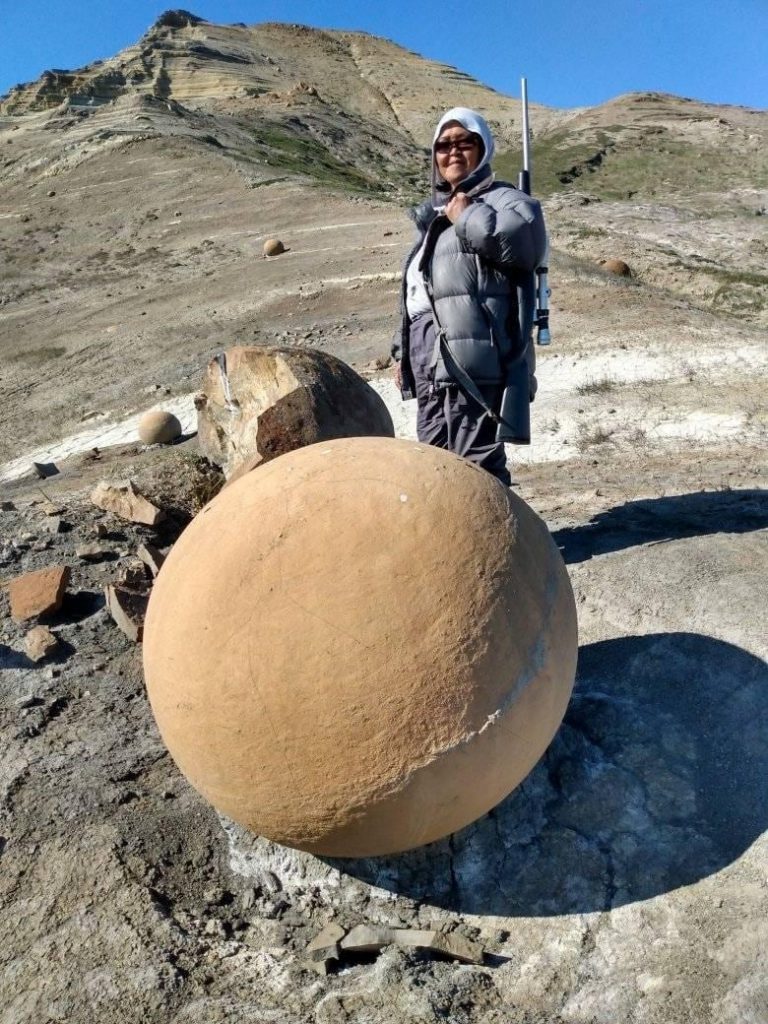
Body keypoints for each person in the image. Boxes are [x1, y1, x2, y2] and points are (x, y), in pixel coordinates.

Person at [393, 107, 547, 485]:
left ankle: (501, 543)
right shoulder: (435, 218)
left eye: (465, 142)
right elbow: (420, 295)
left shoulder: (505, 200)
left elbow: (523, 243)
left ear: (484, 148)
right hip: (430, 359)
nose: (454, 152)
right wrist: (402, 354)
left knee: (475, 466)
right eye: (443, 145)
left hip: (475, 359)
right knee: (434, 463)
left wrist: (467, 217)